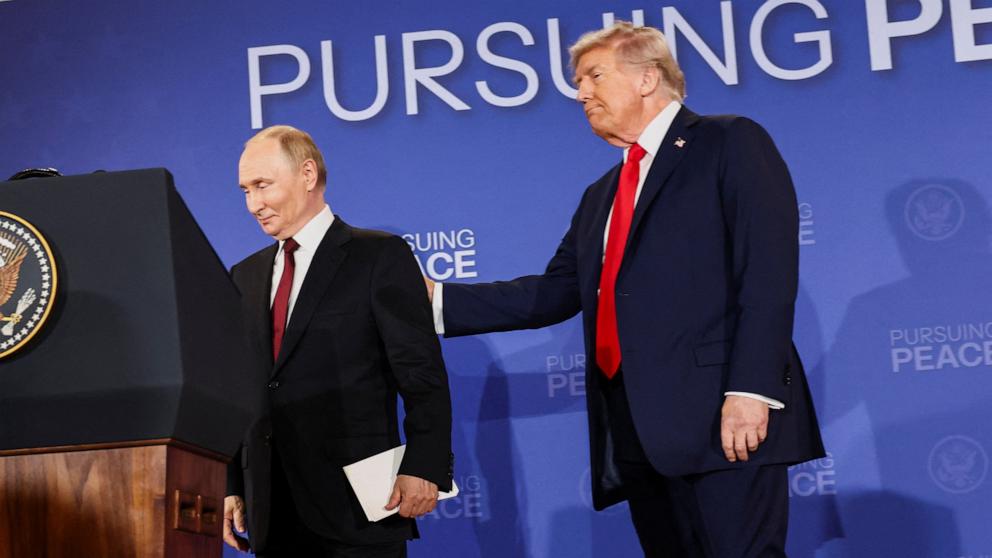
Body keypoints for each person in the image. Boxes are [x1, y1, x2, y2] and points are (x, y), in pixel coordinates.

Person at [426, 22, 824, 557]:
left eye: (593, 76)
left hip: (723, 418)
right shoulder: (602, 196)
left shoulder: (728, 142)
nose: (581, 93)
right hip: (638, 432)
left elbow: (769, 271)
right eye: (578, 81)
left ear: (646, 78)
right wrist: (432, 300)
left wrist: (751, 391)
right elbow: (553, 292)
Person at [224, 125, 453, 558]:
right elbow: (240, 389)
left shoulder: (378, 256)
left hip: (359, 507)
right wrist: (232, 484)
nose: (253, 204)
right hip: (270, 508)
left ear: (307, 174)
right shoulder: (245, 276)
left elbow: (422, 374)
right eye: (244, 190)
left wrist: (424, 465)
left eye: (262, 185)